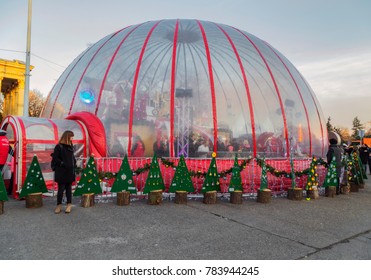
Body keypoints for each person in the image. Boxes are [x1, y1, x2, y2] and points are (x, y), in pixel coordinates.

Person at [51, 130, 76, 214]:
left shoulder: (71, 146)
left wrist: (74, 165)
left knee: (69, 189)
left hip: (69, 171)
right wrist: (62, 163)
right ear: (67, 137)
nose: (72, 138)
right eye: (71, 136)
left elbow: (72, 158)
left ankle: (69, 205)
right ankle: (59, 205)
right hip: (61, 171)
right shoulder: (59, 146)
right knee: (61, 189)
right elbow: (55, 158)